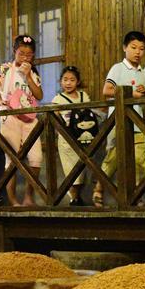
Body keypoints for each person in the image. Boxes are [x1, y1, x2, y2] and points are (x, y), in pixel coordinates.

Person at [94, 31, 145, 208]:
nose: (138, 52)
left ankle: (136, 195)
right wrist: (131, 94)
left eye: (142, 49)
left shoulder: (143, 72)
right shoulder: (117, 68)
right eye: (133, 47)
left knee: (140, 160)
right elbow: (107, 90)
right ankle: (99, 189)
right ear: (124, 48)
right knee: (112, 158)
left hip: (138, 123)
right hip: (118, 122)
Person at [0, 35, 44, 206]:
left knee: (36, 157)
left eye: (29, 55)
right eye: (21, 54)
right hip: (10, 116)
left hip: (29, 117)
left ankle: (28, 197)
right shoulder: (5, 69)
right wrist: (0, 102)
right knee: (11, 158)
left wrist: (28, 77)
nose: (25, 58)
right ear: (14, 52)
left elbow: (40, 95)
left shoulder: (33, 72)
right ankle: (13, 200)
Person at [52, 66, 97, 206]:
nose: (68, 83)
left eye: (72, 80)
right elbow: (54, 118)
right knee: (70, 170)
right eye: (65, 79)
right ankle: (73, 198)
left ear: (77, 82)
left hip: (83, 138)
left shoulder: (84, 96)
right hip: (66, 141)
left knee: (82, 170)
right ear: (60, 82)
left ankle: (77, 197)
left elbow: (90, 113)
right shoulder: (58, 99)